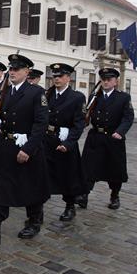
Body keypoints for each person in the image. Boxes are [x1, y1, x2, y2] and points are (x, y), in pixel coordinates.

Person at [0, 53, 49, 246]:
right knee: (2, 186)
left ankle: (34, 219)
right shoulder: (4, 92)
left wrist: (28, 149)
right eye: (10, 69)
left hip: (27, 146)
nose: (12, 72)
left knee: (31, 185)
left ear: (27, 72)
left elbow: (41, 123)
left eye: (16, 69)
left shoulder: (36, 93)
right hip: (6, 146)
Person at [78, 68, 134, 210]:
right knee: (88, 167)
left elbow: (128, 118)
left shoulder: (123, 97)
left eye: (109, 79)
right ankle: (84, 195)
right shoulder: (94, 96)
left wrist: (120, 132)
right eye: (103, 79)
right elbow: (86, 115)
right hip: (96, 137)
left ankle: (115, 195)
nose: (106, 82)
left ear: (116, 81)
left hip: (113, 138)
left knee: (114, 170)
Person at [43, 63, 86, 222]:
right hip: (47, 140)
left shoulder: (77, 97)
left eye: (60, 76)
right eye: (54, 76)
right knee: (43, 174)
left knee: (68, 176)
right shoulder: (47, 94)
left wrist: (68, 143)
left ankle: (70, 206)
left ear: (68, 78)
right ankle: (37, 208)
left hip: (64, 141)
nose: (57, 79)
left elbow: (79, 123)